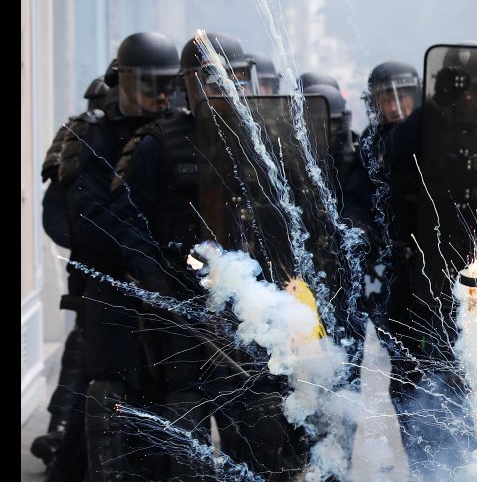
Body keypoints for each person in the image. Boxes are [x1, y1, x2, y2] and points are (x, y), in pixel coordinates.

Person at [110, 31, 307, 480]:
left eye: (231, 80)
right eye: (211, 82)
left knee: (262, 433)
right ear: (190, 86)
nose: (222, 91)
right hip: (182, 316)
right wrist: (158, 285)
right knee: (186, 441)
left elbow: (295, 219)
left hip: (250, 313)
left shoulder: (265, 145)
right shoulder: (157, 144)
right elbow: (127, 223)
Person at [57, 31, 180, 481]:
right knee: (107, 403)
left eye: (169, 83)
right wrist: (141, 259)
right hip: (113, 287)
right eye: (149, 84)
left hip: (167, 289)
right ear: (123, 81)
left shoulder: (178, 134)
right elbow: (86, 219)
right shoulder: (93, 136)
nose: (162, 94)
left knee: (169, 403)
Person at [30, 65, 117, 482]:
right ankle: (63, 441)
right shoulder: (83, 141)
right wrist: (94, 244)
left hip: (150, 276)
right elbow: (57, 216)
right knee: (83, 352)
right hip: (96, 275)